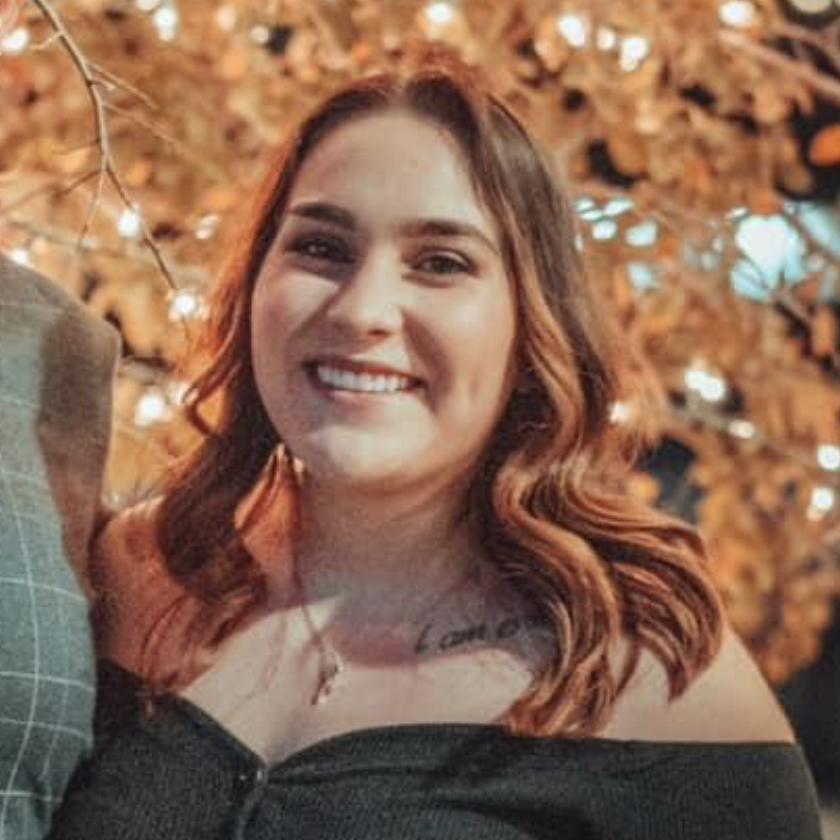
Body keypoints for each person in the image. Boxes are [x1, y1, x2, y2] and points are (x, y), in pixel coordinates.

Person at [48, 44, 822, 838]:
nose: (362, 311)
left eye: (441, 263)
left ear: (531, 325)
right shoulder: (137, 571)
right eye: (320, 247)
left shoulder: (642, 666)